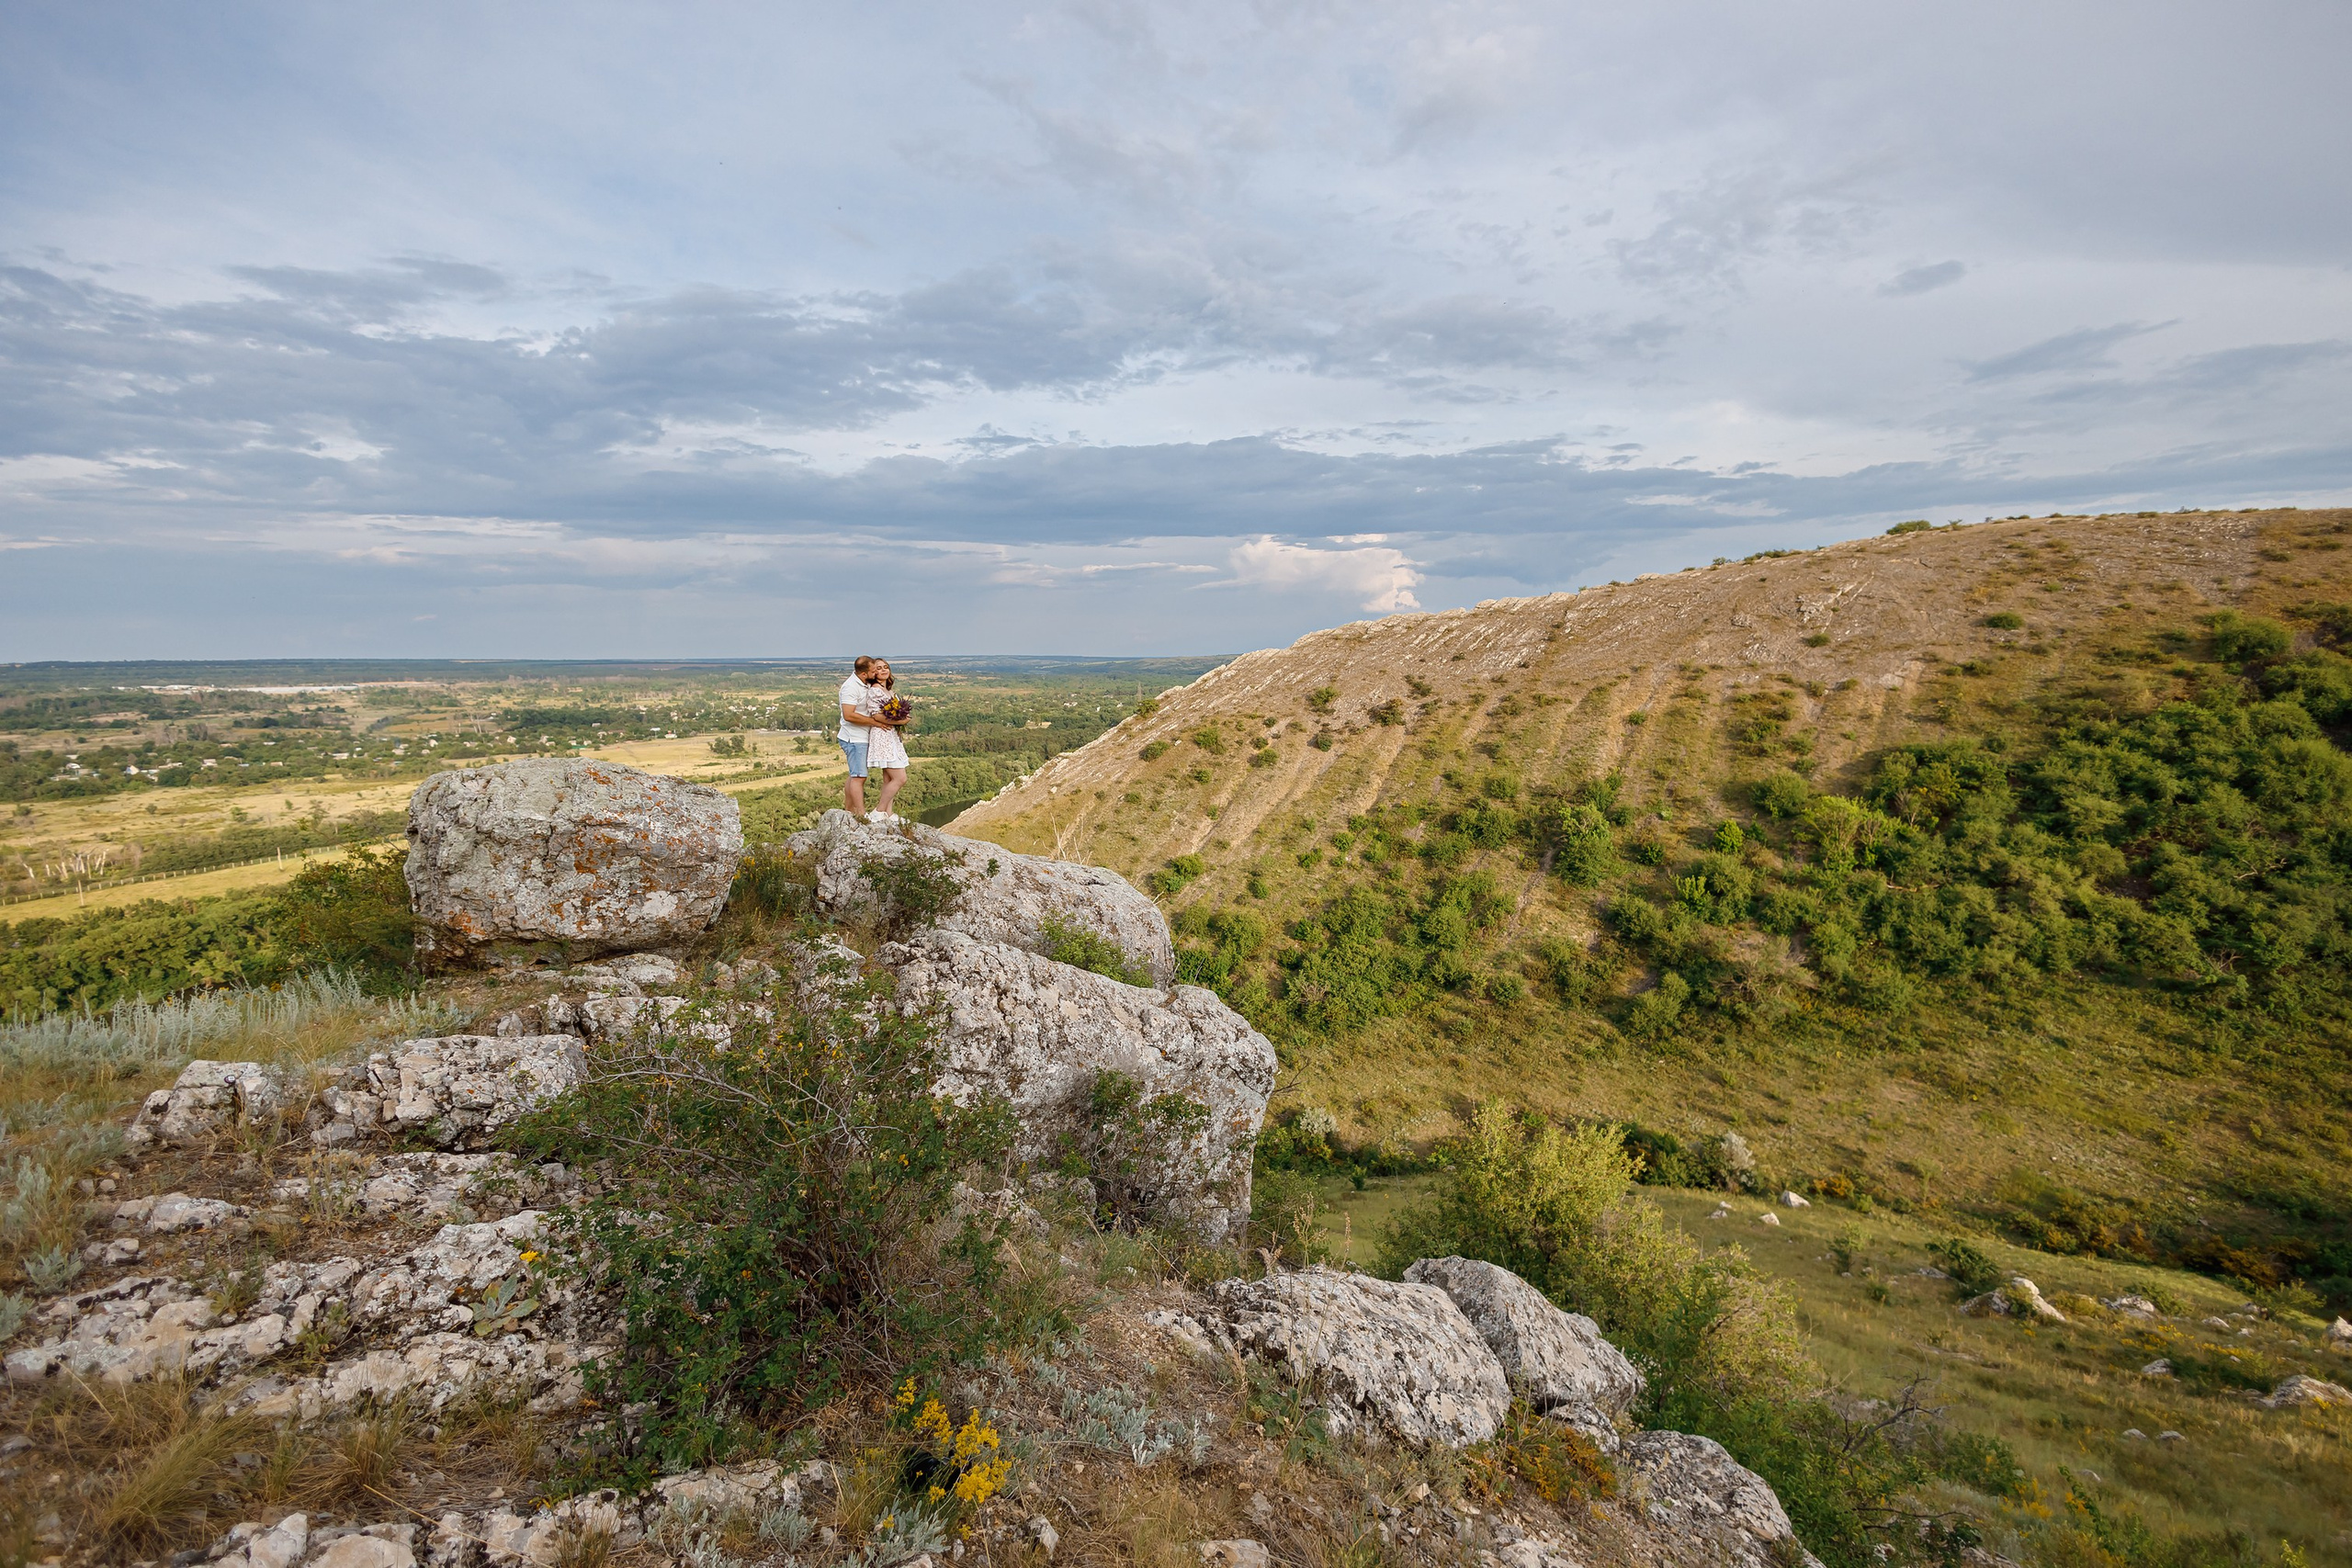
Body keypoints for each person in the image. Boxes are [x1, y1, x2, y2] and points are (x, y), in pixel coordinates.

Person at [864, 659, 911, 818]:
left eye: (886, 667)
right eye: (879, 668)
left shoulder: (890, 692)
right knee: (900, 778)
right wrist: (900, 721)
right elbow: (876, 715)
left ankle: (888, 814)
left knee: (888, 779)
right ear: (873, 673)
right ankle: (878, 811)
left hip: (891, 735)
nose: (884, 670)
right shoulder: (875, 690)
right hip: (883, 736)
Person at [836, 654, 880, 814]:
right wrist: (875, 722)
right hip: (854, 738)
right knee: (860, 776)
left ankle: (849, 811)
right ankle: (861, 814)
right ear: (863, 674)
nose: (876, 673)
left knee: (855, 775)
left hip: (860, 736)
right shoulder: (850, 687)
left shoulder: (864, 682)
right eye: (874, 670)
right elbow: (849, 715)